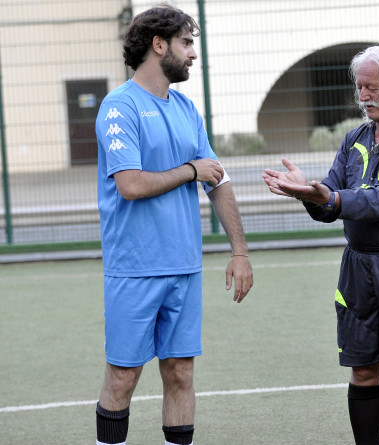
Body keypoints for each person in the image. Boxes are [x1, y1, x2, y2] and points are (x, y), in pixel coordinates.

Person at [263, 45, 379, 444]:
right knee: (363, 371)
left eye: (371, 87)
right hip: (358, 267)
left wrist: (329, 198)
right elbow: (330, 200)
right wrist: (307, 192)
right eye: (359, 87)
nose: (362, 96)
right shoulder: (354, 138)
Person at [94, 5, 253, 445]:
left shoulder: (186, 108)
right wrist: (190, 170)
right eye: (186, 43)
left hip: (184, 267)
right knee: (123, 377)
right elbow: (131, 185)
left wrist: (240, 252)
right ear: (159, 45)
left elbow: (217, 179)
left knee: (181, 373)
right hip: (134, 269)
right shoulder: (119, 106)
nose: (193, 53)